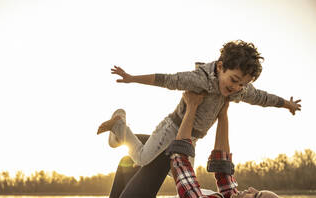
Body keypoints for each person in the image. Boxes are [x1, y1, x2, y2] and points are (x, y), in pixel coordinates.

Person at [79, 91, 307, 198]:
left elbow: (180, 163)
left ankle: (121, 135)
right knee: (130, 162)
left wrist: (191, 107)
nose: (248, 190)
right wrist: (223, 112)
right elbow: (223, 166)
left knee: (165, 148)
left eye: (255, 195)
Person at [99, 40, 302, 170]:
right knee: (142, 159)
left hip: (191, 139)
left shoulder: (240, 89)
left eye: (243, 84)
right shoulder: (200, 79)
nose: (237, 87)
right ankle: (119, 126)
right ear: (220, 67)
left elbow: (262, 98)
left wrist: (287, 105)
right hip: (173, 128)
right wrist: (132, 78)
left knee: (185, 182)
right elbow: (169, 80)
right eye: (233, 80)